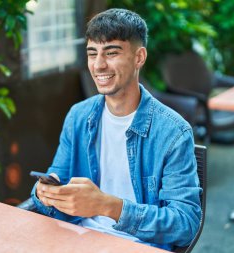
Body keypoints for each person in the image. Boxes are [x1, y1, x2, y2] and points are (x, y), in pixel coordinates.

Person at [31, 8, 201, 251]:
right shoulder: (78, 116)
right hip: (77, 238)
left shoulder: (173, 132)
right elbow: (56, 179)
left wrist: (107, 206)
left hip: (140, 245)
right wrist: (44, 193)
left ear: (139, 57)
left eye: (111, 53)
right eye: (92, 53)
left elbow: (185, 225)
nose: (99, 65)